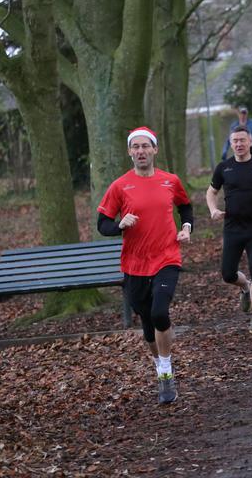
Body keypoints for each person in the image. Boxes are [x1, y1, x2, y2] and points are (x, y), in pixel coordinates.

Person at [97, 127, 193, 405]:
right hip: (135, 264)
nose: (141, 151)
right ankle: (160, 364)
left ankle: (166, 372)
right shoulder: (119, 186)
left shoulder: (170, 181)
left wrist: (187, 227)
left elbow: (186, 207)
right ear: (130, 152)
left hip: (166, 257)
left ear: (154, 150)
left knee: (160, 312)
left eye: (145, 146)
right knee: (149, 323)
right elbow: (102, 224)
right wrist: (120, 225)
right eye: (136, 147)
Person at [206, 126, 252, 333]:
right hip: (232, 228)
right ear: (231, 143)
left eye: (242, 140)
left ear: (250, 142)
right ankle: (245, 287)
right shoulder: (224, 167)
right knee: (228, 274)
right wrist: (213, 209)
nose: (239, 144)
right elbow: (211, 192)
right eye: (235, 141)